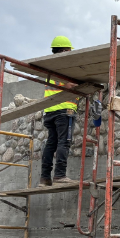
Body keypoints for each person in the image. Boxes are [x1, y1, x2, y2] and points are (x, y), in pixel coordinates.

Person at [39, 35, 77, 186]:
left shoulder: (50, 66)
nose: (69, 52)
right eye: (68, 50)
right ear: (63, 50)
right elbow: (68, 85)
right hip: (64, 110)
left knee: (51, 144)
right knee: (64, 142)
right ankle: (60, 175)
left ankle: (45, 177)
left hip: (50, 111)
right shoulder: (64, 65)